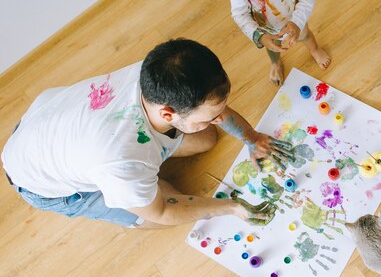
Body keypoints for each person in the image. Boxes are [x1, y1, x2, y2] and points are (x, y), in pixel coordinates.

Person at [1, 39, 294, 228]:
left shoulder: (159, 72)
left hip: (48, 118)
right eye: (211, 116)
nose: (221, 117)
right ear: (168, 114)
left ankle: (146, 175)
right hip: (38, 179)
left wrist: (251, 138)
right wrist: (231, 207)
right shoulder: (119, 160)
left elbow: (213, 110)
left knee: (206, 139)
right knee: (157, 214)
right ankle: (128, 190)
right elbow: (163, 211)